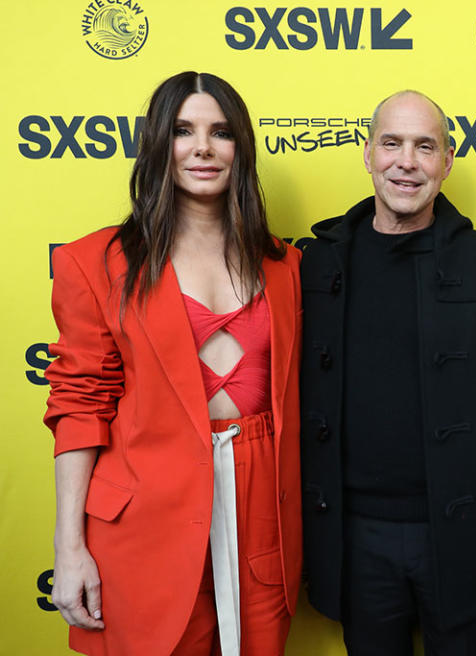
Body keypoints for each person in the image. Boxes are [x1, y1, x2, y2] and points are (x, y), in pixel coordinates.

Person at [44, 71, 302, 656]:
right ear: (159, 144)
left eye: (221, 132)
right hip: (141, 519)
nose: (203, 148)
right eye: (184, 131)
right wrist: (69, 546)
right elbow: (79, 406)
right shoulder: (94, 261)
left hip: (261, 512)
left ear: (243, 147)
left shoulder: (287, 266)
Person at [299, 90, 476, 656]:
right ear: (368, 152)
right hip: (355, 538)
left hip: (462, 535)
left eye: (425, 146)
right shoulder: (317, 262)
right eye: (392, 143)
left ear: (446, 162)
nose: (407, 161)